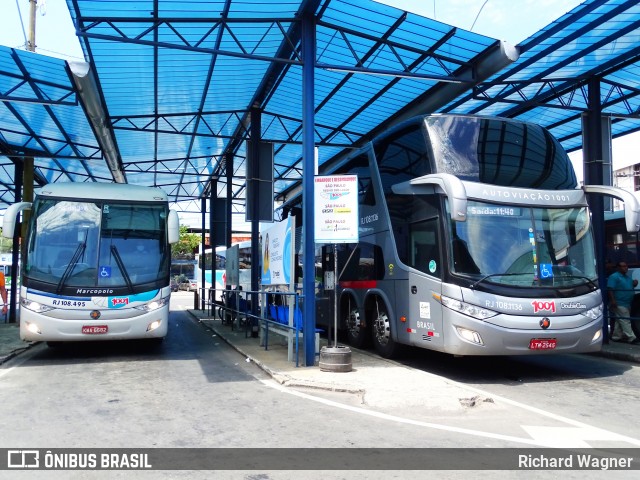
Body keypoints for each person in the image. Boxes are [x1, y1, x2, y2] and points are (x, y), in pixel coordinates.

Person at [607, 262, 640, 344]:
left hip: (627, 302)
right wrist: (613, 300)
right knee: (625, 320)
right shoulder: (614, 277)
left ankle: (616, 336)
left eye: (626, 266)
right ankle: (631, 337)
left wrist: (634, 283)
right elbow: (610, 289)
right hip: (619, 302)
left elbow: (629, 286)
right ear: (618, 268)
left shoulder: (627, 277)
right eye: (623, 266)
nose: (625, 268)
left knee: (620, 320)